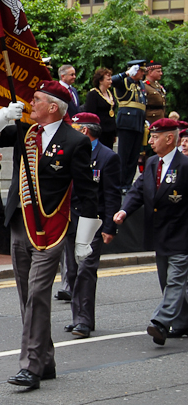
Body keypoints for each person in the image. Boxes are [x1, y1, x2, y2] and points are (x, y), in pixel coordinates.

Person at [0, 81, 99, 390]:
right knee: (25, 296)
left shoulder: (75, 141)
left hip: (51, 228)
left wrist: (84, 240)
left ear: (53, 107)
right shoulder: (24, 133)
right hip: (21, 222)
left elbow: (87, 194)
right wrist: (5, 115)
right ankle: (45, 360)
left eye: (36, 100)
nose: (30, 103)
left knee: (37, 294)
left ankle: (30, 366)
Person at [114, 118, 188, 345]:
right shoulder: (152, 162)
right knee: (167, 281)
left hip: (181, 233)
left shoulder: (185, 166)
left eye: (155, 137)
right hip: (159, 232)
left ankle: (160, 322)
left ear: (170, 138)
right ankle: (183, 322)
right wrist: (124, 211)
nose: (151, 141)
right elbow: (138, 191)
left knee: (175, 280)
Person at [60, 113, 121, 338]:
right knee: (73, 271)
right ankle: (80, 317)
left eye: (75, 128)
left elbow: (112, 195)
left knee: (86, 270)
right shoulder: (70, 152)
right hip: (70, 220)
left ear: (84, 131)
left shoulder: (107, 157)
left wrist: (109, 227)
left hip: (92, 221)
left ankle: (83, 321)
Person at [112, 60, 147, 191]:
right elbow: (113, 80)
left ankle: (127, 183)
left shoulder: (141, 84)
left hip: (138, 123)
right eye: (141, 71)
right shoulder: (125, 81)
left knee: (134, 156)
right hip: (127, 123)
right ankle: (120, 183)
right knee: (124, 156)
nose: (143, 73)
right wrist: (126, 73)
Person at [83, 68, 117, 149]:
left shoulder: (110, 93)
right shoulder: (93, 94)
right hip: (100, 131)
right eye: (108, 80)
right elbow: (90, 114)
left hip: (110, 131)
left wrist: (114, 132)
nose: (111, 82)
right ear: (100, 81)